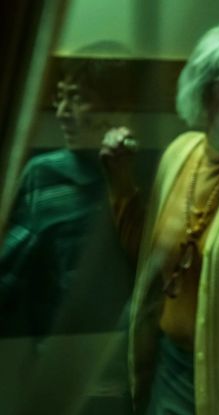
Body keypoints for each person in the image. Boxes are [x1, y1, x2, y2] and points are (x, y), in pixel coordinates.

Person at [100, 18, 219, 414]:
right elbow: (149, 258)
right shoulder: (179, 153)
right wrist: (119, 180)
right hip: (168, 364)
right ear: (203, 95)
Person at [0, 42, 132, 338]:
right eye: (60, 97)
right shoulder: (44, 175)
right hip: (59, 345)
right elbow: (9, 271)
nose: (61, 113)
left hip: (127, 346)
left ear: (118, 110)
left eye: (78, 98)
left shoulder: (146, 175)